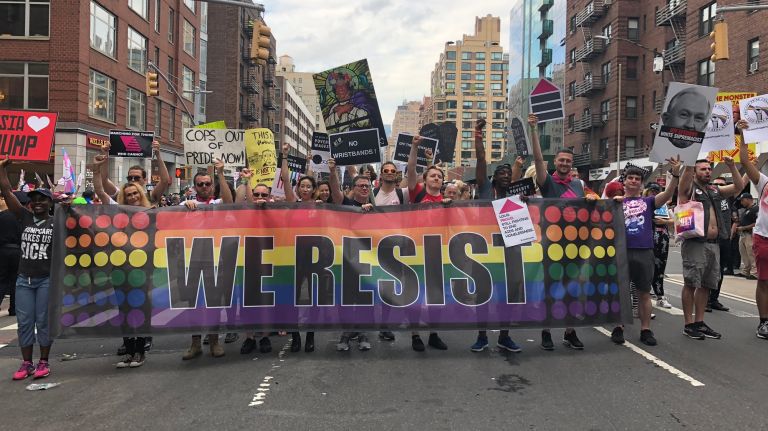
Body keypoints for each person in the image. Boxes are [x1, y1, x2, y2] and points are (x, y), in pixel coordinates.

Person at [530, 113, 589, 350]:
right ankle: (546, 331)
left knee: (572, 290)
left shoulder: (578, 185)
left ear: (571, 164)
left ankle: (570, 331)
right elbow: (536, 157)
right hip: (551, 243)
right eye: (561, 160)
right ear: (555, 162)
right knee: (550, 289)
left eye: (568, 161)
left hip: (574, 245)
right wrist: (534, 130)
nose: (564, 164)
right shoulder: (548, 183)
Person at [467, 118, 524, 353]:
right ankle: (481, 336)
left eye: (509, 173)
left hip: (509, 251)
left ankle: (504, 335)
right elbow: (481, 160)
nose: (505, 175)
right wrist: (477, 134)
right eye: (501, 171)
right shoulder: (484, 190)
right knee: (483, 294)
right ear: (493, 177)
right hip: (485, 252)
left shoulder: (516, 196)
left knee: (507, 295)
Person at [610, 160, 681, 346]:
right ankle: (618, 326)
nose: (633, 181)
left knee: (644, 293)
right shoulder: (614, 203)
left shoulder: (648, 202)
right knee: (621, 293)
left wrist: (674, 175)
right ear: (624, 182)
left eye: (637, 179)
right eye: (630, 178)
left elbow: (667, 195)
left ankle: (646, 329)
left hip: (644, 252)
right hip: (621, 252)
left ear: (641, 184)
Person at [93, 154, 151, 367]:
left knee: (139, 308)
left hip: (142, 269)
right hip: (120, 267)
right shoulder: (116, 210)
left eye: (136, 193)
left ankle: (140, 352)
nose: (133, 196)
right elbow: (100, 190)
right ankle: (129, 350)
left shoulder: (149, 212)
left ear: (141, 193)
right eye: (129, 194)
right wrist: (97, 169)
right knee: (124, 309)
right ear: (123, 197)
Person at [0, 158, 56, 380]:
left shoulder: (56, 222)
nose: (38, 203)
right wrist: (2, 170)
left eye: (43, 199)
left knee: (42, 321)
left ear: (50, 203)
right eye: (34, 200)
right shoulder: (23, 217)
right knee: (24, 322)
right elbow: (6, 190)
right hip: (24, 280)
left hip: (46, 279)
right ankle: (26, 363)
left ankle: (43, 361)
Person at [677, 156, 743, 340]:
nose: (707, 171)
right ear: (695, 172)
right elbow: (685, 178)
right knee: (691, 283)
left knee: (706, 285)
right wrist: (691, 154)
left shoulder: (714, 190)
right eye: (703, 169)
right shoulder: (688, 190)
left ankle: (699, 322)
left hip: (714, 244)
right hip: (695, 243)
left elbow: (738, 187)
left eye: (708, 169)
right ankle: (688, 324)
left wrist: (732, 166)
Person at [181, 160, 234, 359]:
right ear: (194, 187)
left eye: (207, 183)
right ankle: (195, 343)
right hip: (190, 260)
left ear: (212, 186)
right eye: (200, 184)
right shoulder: (184, 206)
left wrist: (220, 173)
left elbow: (230, 203)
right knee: (192, 302)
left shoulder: (218, 204)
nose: (204, 187)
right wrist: (185, 206)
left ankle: (214, 342)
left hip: (214, 259)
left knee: (213, 302)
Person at [406, 136, 449, 352]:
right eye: (432, 175)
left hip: (438, 252)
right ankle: (415, 335)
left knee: (435, 295)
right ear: (425, 179)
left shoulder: (447, 201)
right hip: (415, 251)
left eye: (439, 176)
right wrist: (414, 147)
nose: (436, 178)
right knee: (415, 293)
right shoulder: (417, 193)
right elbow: (411, 169)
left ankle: (433, 333)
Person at [328, 158, 374, 352]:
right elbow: (335, 192)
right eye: (361, 186)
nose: (364, 188)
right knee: (345, 300)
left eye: (367, 186)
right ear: (353, 188)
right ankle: (346, 334)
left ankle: (363, 333)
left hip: (368, 261)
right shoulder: (345, 203)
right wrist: (332, 172)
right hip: (345, 259)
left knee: (365, 299)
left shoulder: (375, 208)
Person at [279, 143, 317, 353]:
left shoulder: (320, 206)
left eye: (308, 186)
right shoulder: (292, 202)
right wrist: (284, 156)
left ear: (313, 189)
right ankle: (295, 336)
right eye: (302, 186)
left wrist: (310, 161)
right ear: (297, 189)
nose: (305, 189)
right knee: (292, 297)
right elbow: (285, 179)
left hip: (315, 257)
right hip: (294, 257)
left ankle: (310, 335)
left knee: (313, 298)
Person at [371, 161, 410, 341]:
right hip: (372, 248)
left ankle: (384, 325)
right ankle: (365, 324)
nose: (389, 173)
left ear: (396, 174)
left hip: (394, 250)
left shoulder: (402, 194)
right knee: (371, 288)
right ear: (381, 173)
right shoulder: (372, 194)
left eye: (392, 171)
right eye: (386, 170)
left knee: (388, 290)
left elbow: (415, 178)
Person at [737, 119, 768, 339]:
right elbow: (745, 161)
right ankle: (764, 322)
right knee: (764, 280)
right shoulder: (764, 182)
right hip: (763, 239)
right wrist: (744, 136)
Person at [101, 140, 171, 204]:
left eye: (137, 178)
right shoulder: (121, 196)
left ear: (144, 180)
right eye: (130, 178)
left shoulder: (150, 197)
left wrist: (158, 155)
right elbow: (104, 180)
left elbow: (164, 181)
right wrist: (105, 154)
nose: (133, 180)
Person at [645, 183, 674, 309]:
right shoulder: (642, 204)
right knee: (644, 269)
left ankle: (660, 296)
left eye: (656, 191)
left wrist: (665, 222)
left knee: (660, 269)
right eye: (651, 191)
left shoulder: (664, 206)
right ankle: (642, 298)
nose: (654, 193)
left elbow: (678, 219)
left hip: (662, 240)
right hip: (646, 240)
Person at [0, 191, 23, 316]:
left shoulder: (2, 216)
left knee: (1, 280)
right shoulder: (21, 217)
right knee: (15, 281)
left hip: (2, 250)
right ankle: (13, 308)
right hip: (17, 251)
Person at [737, 193, 758, 281]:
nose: (741, 202)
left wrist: (744, 227)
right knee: (744, 253)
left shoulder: (755, 209)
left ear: (749, 199)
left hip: (750, 234)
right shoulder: (746, 210)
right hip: (743, 234)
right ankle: (746, 270)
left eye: (743, 200)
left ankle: (755, 272)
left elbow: (756, 223)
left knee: (751, 253)